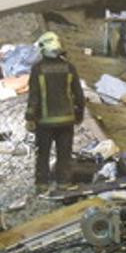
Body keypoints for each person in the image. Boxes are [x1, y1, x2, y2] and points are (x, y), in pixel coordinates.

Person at [25, 32, 84, 192]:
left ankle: (42, 184)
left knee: (43, 154)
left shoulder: (38, 69)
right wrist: (79, 115)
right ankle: (63, 183)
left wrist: (29, 117)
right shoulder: (69, 67)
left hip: (44, 122)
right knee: (64, 153)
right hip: (66, 120)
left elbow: (34, 96)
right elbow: (79, 94)